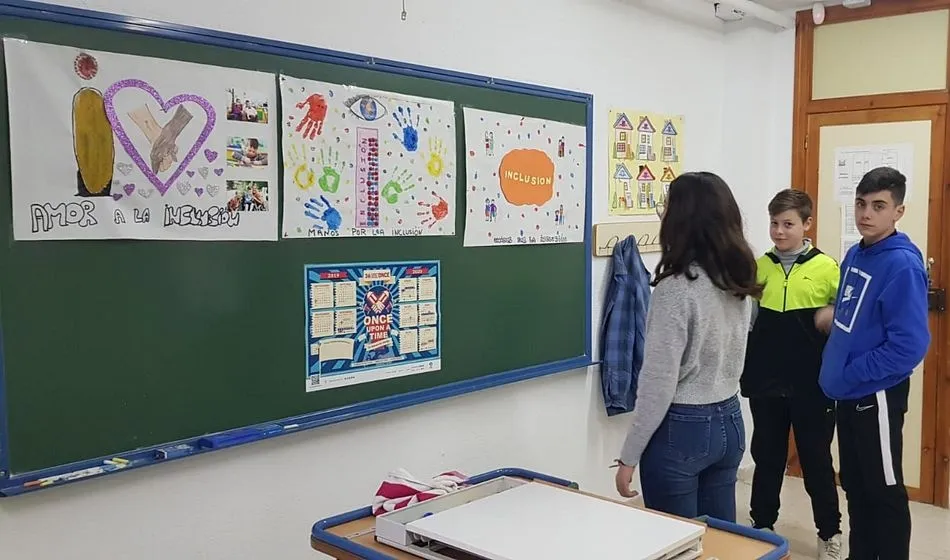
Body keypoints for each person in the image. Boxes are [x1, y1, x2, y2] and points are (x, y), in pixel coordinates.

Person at [614, 171, 759, 522]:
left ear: (682, 219)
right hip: (730, 419)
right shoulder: (738, 279)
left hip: (683, 428)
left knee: (676, 542)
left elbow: (657, 383)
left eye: (666, 207)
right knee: (721, 542)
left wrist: (628, 457)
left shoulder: (676, 288)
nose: (662, 214)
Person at [816, 166, 930, 560]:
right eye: (861, 204)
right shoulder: (856, 252)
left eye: (878, 206)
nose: (866, 213)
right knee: (856, 486)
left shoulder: (901, 264)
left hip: (874, 397)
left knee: (884, 492)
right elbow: (857, 317)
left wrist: (853, 374)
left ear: (898, 211)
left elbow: (909, 346)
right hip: (848, 395)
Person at [740, 189, 842, 559]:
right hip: (766, 379)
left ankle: (830, 532)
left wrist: (832, 312)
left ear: (807, 224)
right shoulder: (759, 265)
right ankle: (762, 525)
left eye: (788, 224)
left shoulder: (827, 267)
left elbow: (846, 314)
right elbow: (746, 319)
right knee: (767, 456)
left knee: (816, 461)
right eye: (774, 224)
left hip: (811, 383)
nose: (779, 232)